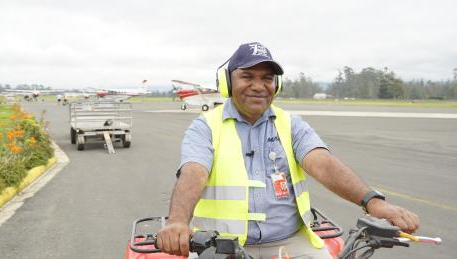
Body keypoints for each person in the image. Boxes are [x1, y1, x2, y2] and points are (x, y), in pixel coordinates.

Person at [157, 42, 419, 259]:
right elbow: (194, 171)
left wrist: (373, 202)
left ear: (276, 85)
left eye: (267, 78)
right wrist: (178, 221)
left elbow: (323, 163)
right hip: (221, 246)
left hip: (291, 241)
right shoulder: (205, 127)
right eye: (247, 76)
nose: (258, 86)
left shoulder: (290, 124)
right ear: (228, 82)